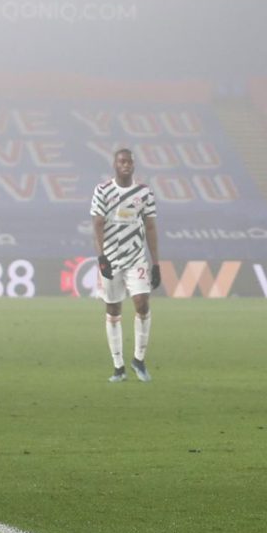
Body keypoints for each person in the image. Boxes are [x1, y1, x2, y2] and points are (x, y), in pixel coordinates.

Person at [91, 148, 161, 383]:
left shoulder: (144, 192)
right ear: (114, 164)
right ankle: (118, 365)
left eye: (129, 162)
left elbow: (150, 227)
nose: (126, 165)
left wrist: (156, 263)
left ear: (134, 165)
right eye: (122, 161)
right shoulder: (102, 191)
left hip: (135, 259)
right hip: (111, 258)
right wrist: (101, 258)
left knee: (142, 303)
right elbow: (97, 225)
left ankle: (139, 360)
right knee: (113, 310)